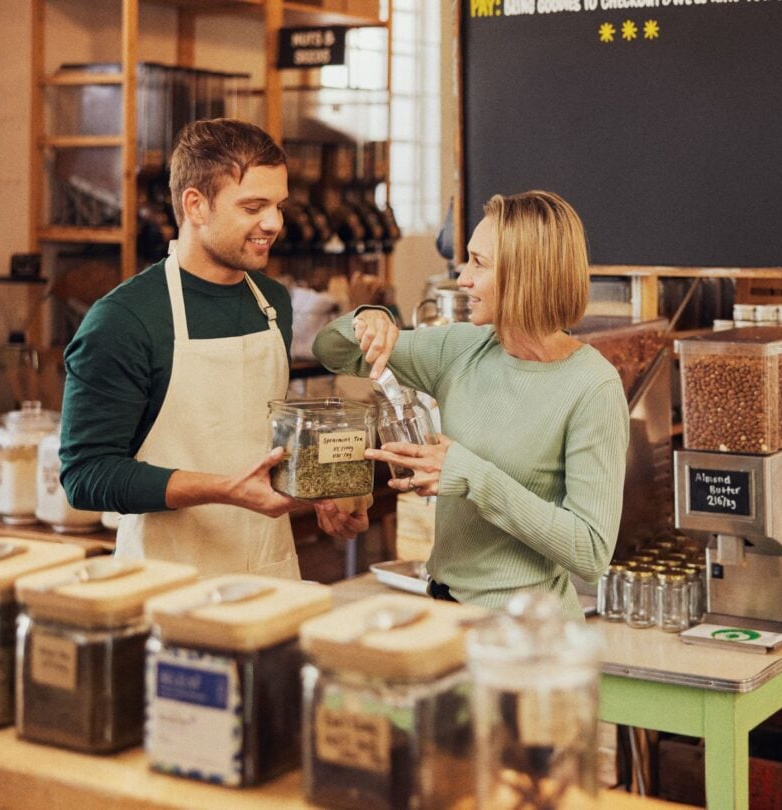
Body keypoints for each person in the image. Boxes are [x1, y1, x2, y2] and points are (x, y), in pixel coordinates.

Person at [60, 118, 367, 578]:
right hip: (166, 584)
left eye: (279, 206)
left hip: (271, 574)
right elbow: (86, 475)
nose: (274, 223)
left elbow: (262, 439)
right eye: (253, 207)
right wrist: (225, 489)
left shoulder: (273, 303)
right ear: (196, 205)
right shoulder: (124, 319)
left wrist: (326, 492)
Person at [313, 190, 629, 617]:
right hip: (445, 612)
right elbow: (331, 350)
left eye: (479, 263)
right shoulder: (460, 349)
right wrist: (369, 319)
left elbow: (591, 552)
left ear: (525, 275)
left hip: (526, 632)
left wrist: (467, 474)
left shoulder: (592, 387)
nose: (462, 278)